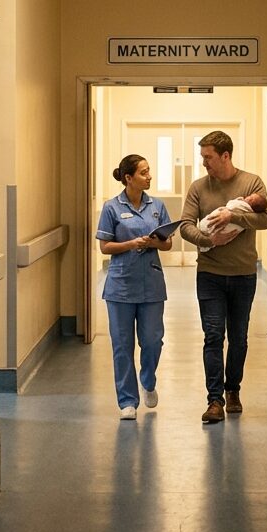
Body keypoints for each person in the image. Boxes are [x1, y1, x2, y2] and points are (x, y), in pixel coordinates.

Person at [179, 131, 267, 423]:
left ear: (225, 156)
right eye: (202, 157)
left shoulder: (251, 182)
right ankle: (214, 400)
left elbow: (266, 219)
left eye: (208, 157)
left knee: (239, 338)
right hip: (210, 274)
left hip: (243, 274)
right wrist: (208, 241)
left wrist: (233, 217)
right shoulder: (198, 187)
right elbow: (184, 226)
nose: (204, 163)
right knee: (213, 336)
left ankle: (233, 389)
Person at [96, 154, 174, 420]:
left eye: (149, 171)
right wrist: (131, 244)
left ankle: (148, 380)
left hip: (151, 283)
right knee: (122, 345)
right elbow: (105, 247)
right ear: (129, 178)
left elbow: (168, 243)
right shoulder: (111, 208)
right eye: (144, 172)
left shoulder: (157, 206)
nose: (149, 176)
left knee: (153, 341)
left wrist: (153, 243)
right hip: (120, 285)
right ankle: (127, 401)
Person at [197, 192, 267, 252]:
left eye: (251, 197)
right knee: (219, 229)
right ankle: (205, 244)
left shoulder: (242, 205)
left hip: (241, 262)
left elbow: (266, 221)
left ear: (251, 201)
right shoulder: (197, 186)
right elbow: (187, 225)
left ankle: (204, 230)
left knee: (215, 226)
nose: (247, 197)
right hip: (208, 263)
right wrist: (209, 241)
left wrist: (232, 216)